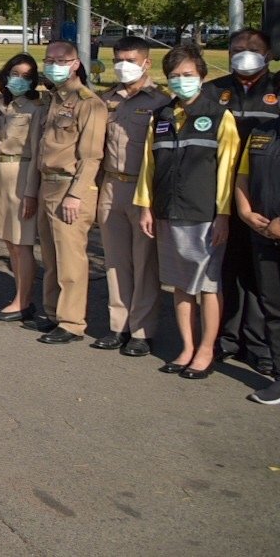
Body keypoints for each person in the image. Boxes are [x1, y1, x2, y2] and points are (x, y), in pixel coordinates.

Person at [137, 44, 240, 379]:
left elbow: (228, 170)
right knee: (181, 285)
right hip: (168, 212)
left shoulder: (220, 117)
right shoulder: (163, 116)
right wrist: (146, 207)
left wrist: (223, 214)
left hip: (205, 216)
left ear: (202, 76)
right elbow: (148, 166)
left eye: (188, 75)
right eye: (175, 76)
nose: (181, 81)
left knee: (208, 286)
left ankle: (207, 350)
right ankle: (187, 347)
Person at [91, 36, 170, 356]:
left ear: (147, 63)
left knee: (144, 263)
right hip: (110, 185)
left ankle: (142, 330)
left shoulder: (161, 102)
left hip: (143, 190)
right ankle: (118, 325)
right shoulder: (107, 99)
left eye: (131, 60)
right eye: (118, 59)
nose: (123, 66)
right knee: (116, 261)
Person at [28, 40, 109, 345]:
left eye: (61, 60)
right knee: (51, 257)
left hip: (70, 187)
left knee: (71, 260)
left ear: (76, 63)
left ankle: (72, 322)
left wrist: (76, 194)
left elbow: (91, 156)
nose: (53, 64)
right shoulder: (51, 100)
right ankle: (53, 312)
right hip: (47, 184)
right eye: (49, 59)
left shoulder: (89, 103)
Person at [211, 28, 279, 376]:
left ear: (268, 54)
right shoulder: (215, 90)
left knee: (261, 277)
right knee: (228, 270)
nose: (245, 54)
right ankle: (227, 338)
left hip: (264, 199)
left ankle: (260, 344)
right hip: (222, 198)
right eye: (237, 49)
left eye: (253, 49)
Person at [236, 66, 280, 410]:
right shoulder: (262, 131)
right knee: (274, 310)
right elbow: (243, 175)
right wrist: (246, 213)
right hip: (262, 234)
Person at [0, 54, 43, 322]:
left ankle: (23, 300)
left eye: (25, 76)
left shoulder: (34, 109)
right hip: (0, 175)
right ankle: (19, 295)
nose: (18, 80)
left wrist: (31, 191)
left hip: (21, 175)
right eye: (15, 74)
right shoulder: (2, 106)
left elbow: (35, 153)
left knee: (22, 243)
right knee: (10, 242)